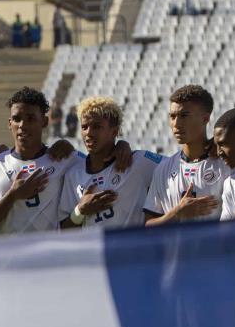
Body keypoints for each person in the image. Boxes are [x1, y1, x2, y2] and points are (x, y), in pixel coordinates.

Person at [0, 87, 106, 236]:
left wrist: (121, 146)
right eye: (17, 119)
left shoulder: (65, 158)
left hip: (52, 256)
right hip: (12, 257)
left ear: (44, 121)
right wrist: (12, 195)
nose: (22, 125)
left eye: (30, 118)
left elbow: (103, 162)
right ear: (10, 123)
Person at [59, 97, 161, 229]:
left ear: (114, 131)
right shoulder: (73, 174)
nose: (88, 133)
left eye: (97, 127)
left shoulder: (139, 162)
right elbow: (63, 229)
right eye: (84, 127)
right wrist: (80, 211)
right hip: (96, 249)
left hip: (134, 249)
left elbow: (176, 164)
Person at [144, 85, 232, 226]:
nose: (176, 124)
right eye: (172, 116)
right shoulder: (163, 169)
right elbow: (148, 226)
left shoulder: (227, 164)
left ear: (205, 118)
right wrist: (177, 213)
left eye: (184, 115)